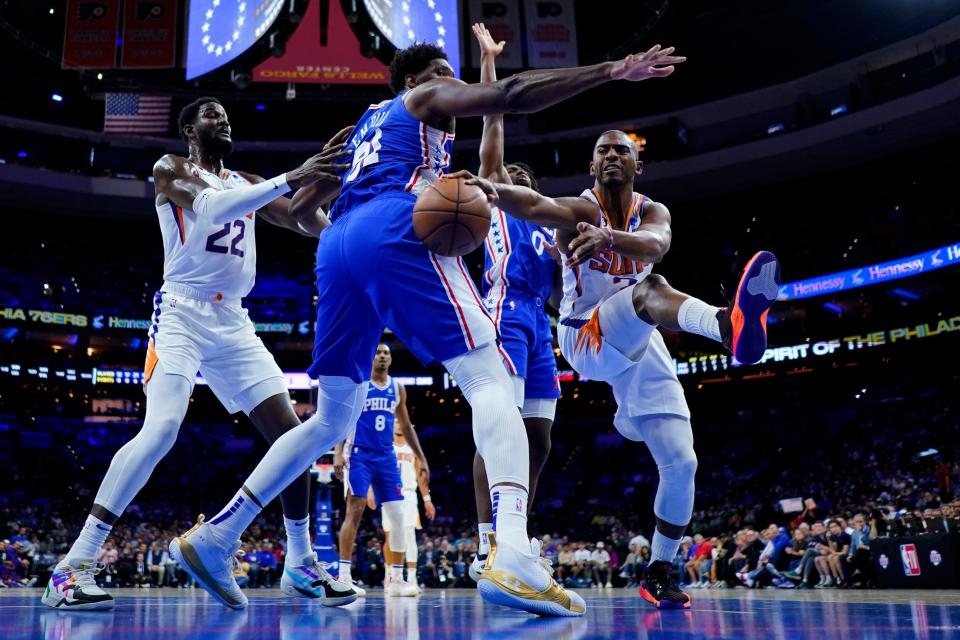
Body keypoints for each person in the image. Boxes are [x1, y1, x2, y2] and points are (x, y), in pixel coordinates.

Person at [170, 29, 685, 617]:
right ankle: (512, 553)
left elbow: (302, 212)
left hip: (337, 245)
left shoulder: (363, 128)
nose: (456, 85)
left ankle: (218, 534)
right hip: (394, 225)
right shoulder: (418, 103)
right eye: (446, 73)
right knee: (488, 376)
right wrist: (614, 68)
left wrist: (350, 236)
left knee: (330, 418)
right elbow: (513, 95)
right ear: (417, 82)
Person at [42, 97, 356, 611]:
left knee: (295, 437)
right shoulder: (171, 169)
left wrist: (339, 175)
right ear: (190, 129)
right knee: (162, 428)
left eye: (227, 115)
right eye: (212, 114)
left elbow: (302, 220)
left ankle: (299, 564)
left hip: (233, 320)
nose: (224, 119)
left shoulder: (245, 178)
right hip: (182, 314)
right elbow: (210, 207)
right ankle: (74, 565)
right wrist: (294, 174)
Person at [451, 128, 780, 609]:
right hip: (586, 333)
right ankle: (725, 326)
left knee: (682, 462)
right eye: (602, 150)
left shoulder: (653, 211)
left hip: (639, 338)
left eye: (620, 149)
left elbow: (655, 246)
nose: (611, 155)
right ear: (592, 167)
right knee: (652, 291)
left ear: (636, 165)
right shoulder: (580, 210)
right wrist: (491, 188)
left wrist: (610, 237)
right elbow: (534, 205)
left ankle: (660, 571)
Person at [467, 23, 563, 583]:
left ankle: (517, 529)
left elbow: (557, 289)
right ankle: (488, 543)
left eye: (525, 177)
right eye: (510, 175)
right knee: (500, 426)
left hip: (540, 321)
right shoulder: (496, 203)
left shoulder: (547, 224)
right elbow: (492, 125)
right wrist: (490, 68)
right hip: (502, 313)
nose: (516, 177)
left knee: (540, 436)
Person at [332, 343, 430, 598]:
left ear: (391, 359)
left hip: (386, 456)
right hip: (359, 454)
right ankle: (343, 576)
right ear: (370, 357)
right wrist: (337, 453)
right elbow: (343, 420)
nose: (383, 356)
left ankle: (396, 578)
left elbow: (407, 427)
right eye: (377, 352)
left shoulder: (397, 388)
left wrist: (421, 457)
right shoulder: (360, 385)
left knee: (398, 515)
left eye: (386, 352)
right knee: (355, 510)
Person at [387, 415, 437, 591]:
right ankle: (391, 576)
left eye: (402, 423)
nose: (399, 425)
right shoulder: (386, 445)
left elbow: (421, 477)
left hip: (408, 494)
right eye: (396, 422)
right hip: (389, 494)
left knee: (408, 535)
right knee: (390, 535)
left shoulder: (413, 449)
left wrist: (427, 500)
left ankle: (412, 577)